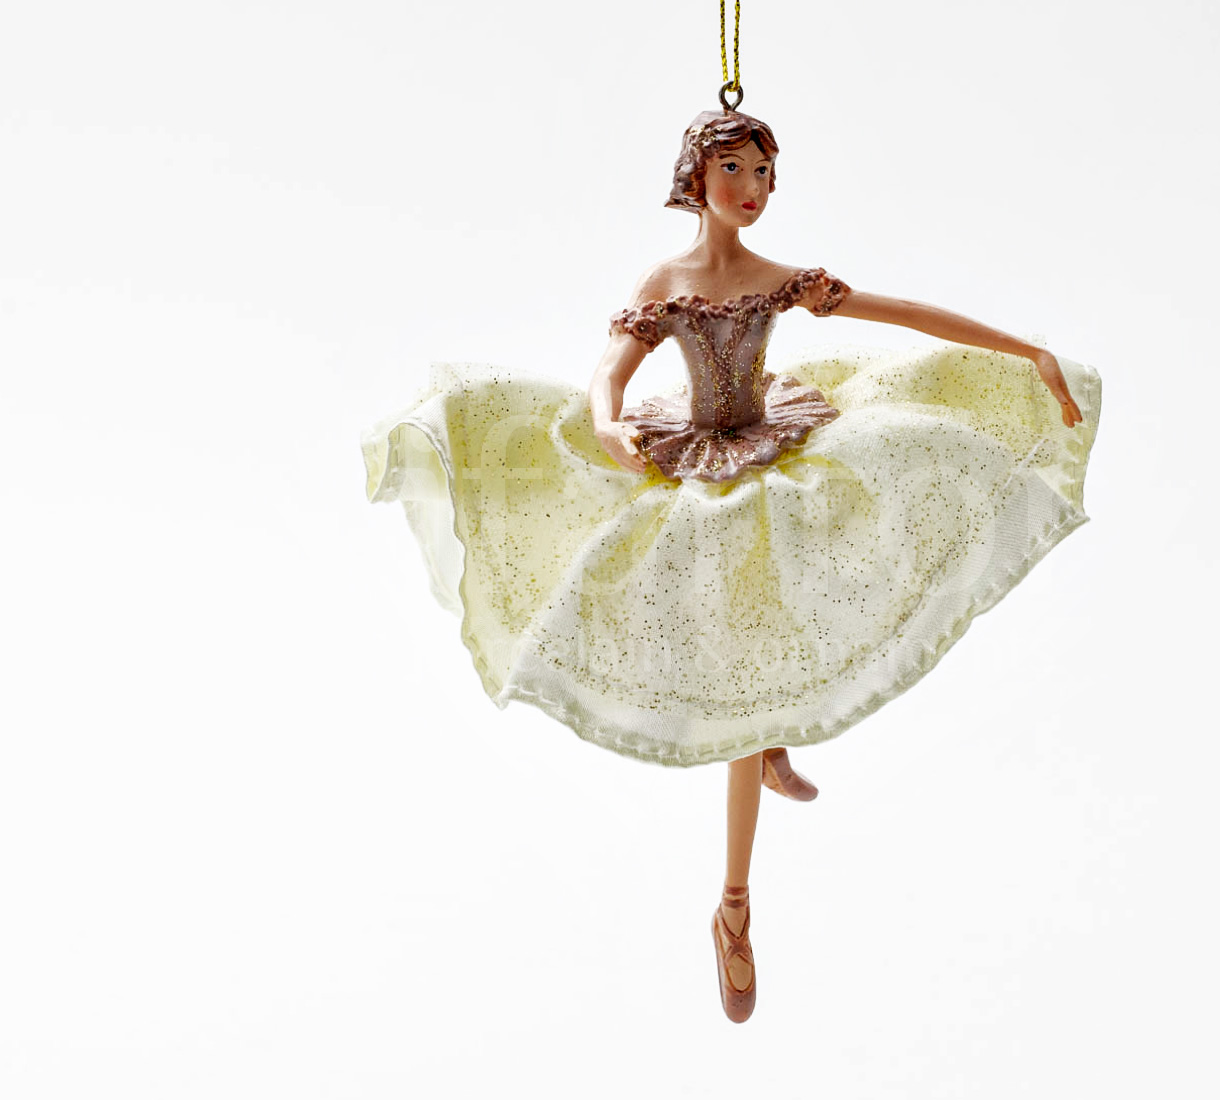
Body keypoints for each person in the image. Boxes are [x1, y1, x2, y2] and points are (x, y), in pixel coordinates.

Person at [360, 108, 1102, 1024]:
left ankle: (769, 756)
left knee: (840, 547)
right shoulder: (667, 283)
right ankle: (735, 905)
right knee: (735, 648)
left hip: (772, 446)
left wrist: (1028, 352)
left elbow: (904, 312)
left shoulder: (774, 279)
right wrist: (606, 423)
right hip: (694, 464)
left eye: (764, 175)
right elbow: (610, 372)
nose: (752, 190)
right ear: (697, 178)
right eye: (736, 170)